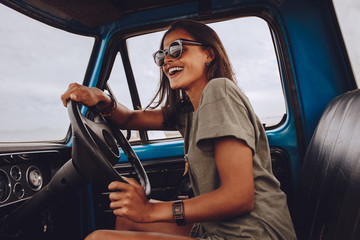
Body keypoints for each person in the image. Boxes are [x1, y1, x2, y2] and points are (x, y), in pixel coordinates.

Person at [61, 19, 296, 240]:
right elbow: (129, 119)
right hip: (216, 226)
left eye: (177, 49)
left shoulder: (219, 91)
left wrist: (151, 211)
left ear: (208, 53)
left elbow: (238, 197)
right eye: (162, 56)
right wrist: (101, 97)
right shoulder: (189, 112)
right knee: (126, 215)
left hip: (253, 233)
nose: (167, 61)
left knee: (98, 239)